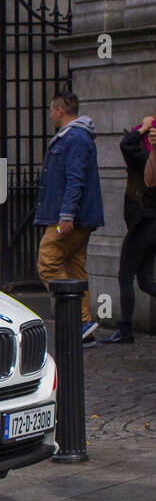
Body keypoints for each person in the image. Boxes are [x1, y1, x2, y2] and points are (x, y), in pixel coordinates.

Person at [35, 91, 104, 342]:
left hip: (68, 219)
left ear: (59, 111)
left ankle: (75, 317)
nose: (51, 114)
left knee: (48, 262)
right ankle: (84, 325)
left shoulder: (74, 137)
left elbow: (74, 179)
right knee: (75, 267)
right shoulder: (76, 136)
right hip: (75, 216)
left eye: (52, 110)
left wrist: (66, 215)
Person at [101, 115, 156, 343]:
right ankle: (125, 330)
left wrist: (143, 128)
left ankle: (125, 330)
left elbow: (126, 144)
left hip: (143, 224)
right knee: (144, 280)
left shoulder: (145, 158)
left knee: (126, 276)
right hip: (150, 225)